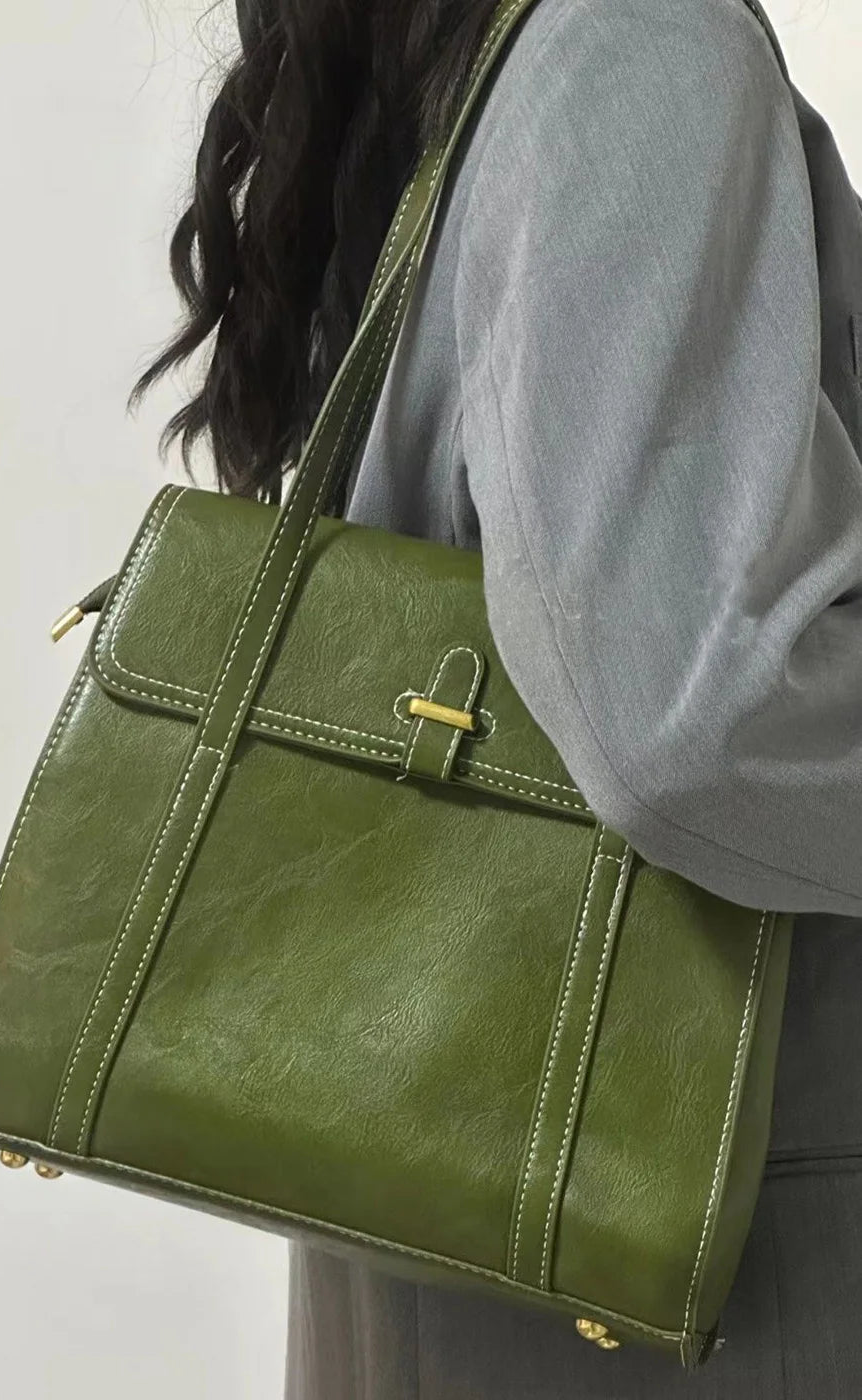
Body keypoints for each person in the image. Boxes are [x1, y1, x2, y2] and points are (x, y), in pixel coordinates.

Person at [133, 0, 862, 1393]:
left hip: (469, 1188)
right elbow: (692, 721)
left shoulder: (468, 51)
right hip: (699, 1226)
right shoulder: (638, 37)